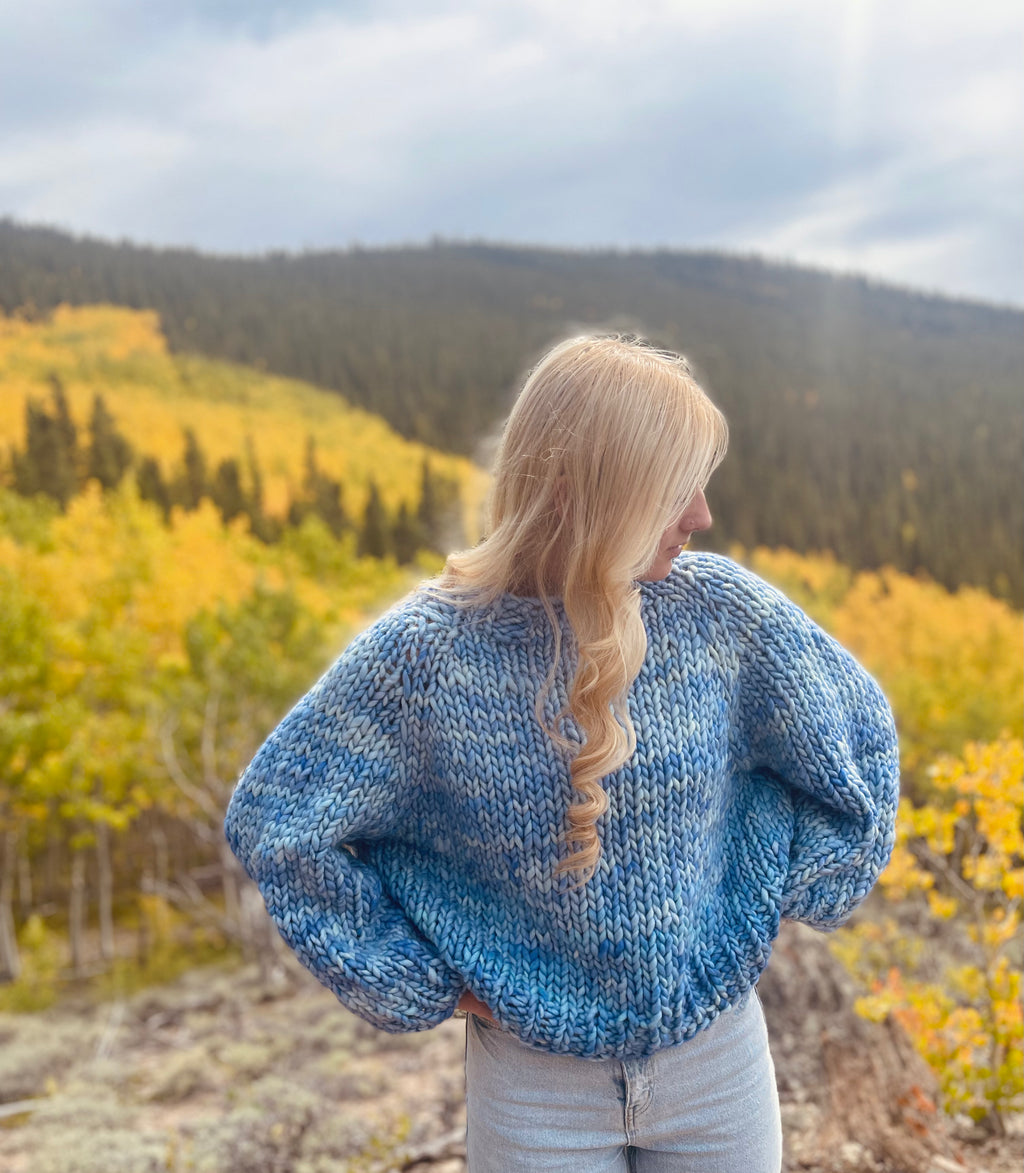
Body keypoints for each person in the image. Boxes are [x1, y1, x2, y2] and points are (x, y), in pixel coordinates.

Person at [224, 333, 899, 1172]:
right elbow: (278, 821)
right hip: (534, 1090)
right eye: (675, 485)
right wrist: (422, 979)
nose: (702, 514)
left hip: (715, 1063)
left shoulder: (720, 612)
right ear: (593, 490)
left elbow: (858, 734)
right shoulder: (426, 654)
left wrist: (777, 887)